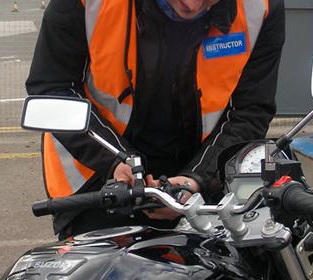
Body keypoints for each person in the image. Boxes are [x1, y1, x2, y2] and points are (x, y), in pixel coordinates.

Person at [26, 0, 285, 239]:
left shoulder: (259, 7)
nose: (191, 4)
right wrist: (115, 161)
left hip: (201, 172)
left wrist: (196, 179)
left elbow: (250, 110)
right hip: (97, 174)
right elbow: (52, 87)